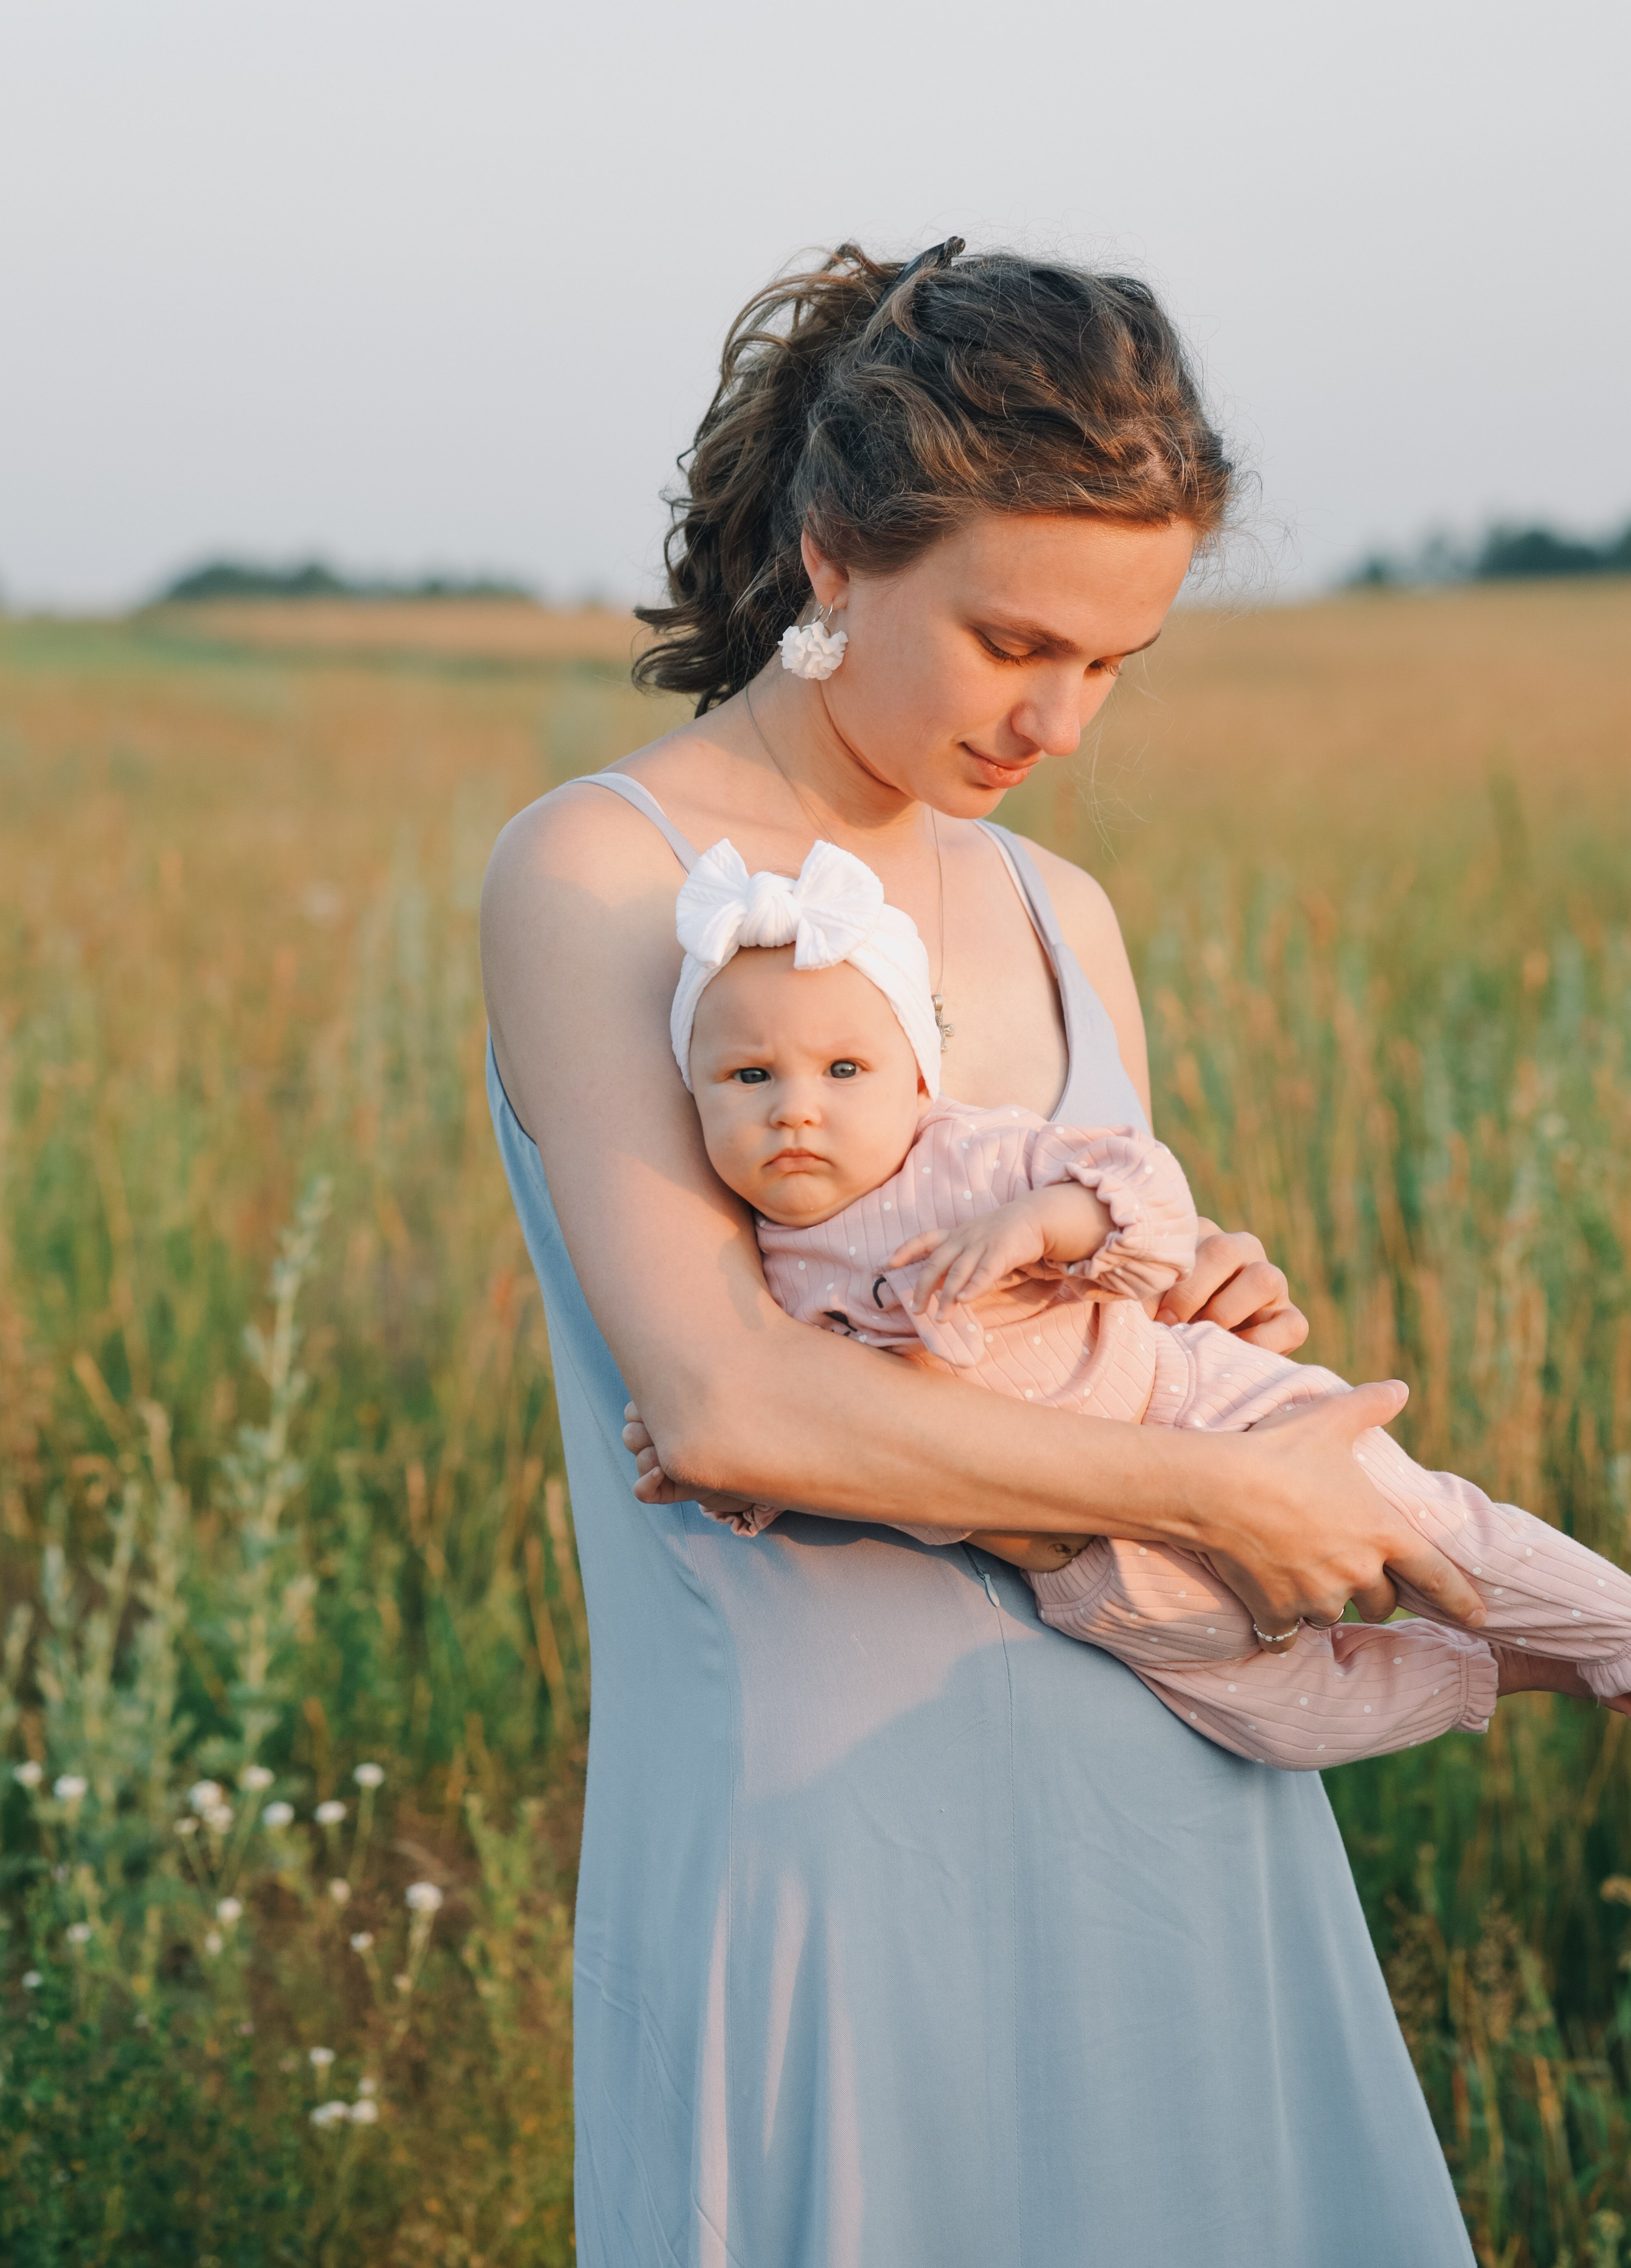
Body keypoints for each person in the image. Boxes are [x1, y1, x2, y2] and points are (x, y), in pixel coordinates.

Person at [481, 239, 1488, 2264]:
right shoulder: (600, 872)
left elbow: (1055, 1332)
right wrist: (1217, 1485)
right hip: (830, 1861)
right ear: (838, 552)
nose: (1062, 721)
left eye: (1113, 664)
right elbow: (730, 1399)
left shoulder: (1061, 913)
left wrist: (1204, 1312)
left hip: (1179, 1826)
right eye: (1016, 641)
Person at [660, 832, 1631, 1768]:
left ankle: (1615, 1629)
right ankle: (1517, 1671)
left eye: (843, 1072)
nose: (795, 1107)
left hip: (1195, 1408)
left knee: (1428, 1523)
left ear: (916, 1079)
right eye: (749, 1077)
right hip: (1079, 1557)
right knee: (1282, 1721)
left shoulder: (963, 1157)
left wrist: (1042, 1222)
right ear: (694, 1099)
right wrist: (726, 1476)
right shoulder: (765, 1282)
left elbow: (1152, 1197)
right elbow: (814, 1436)